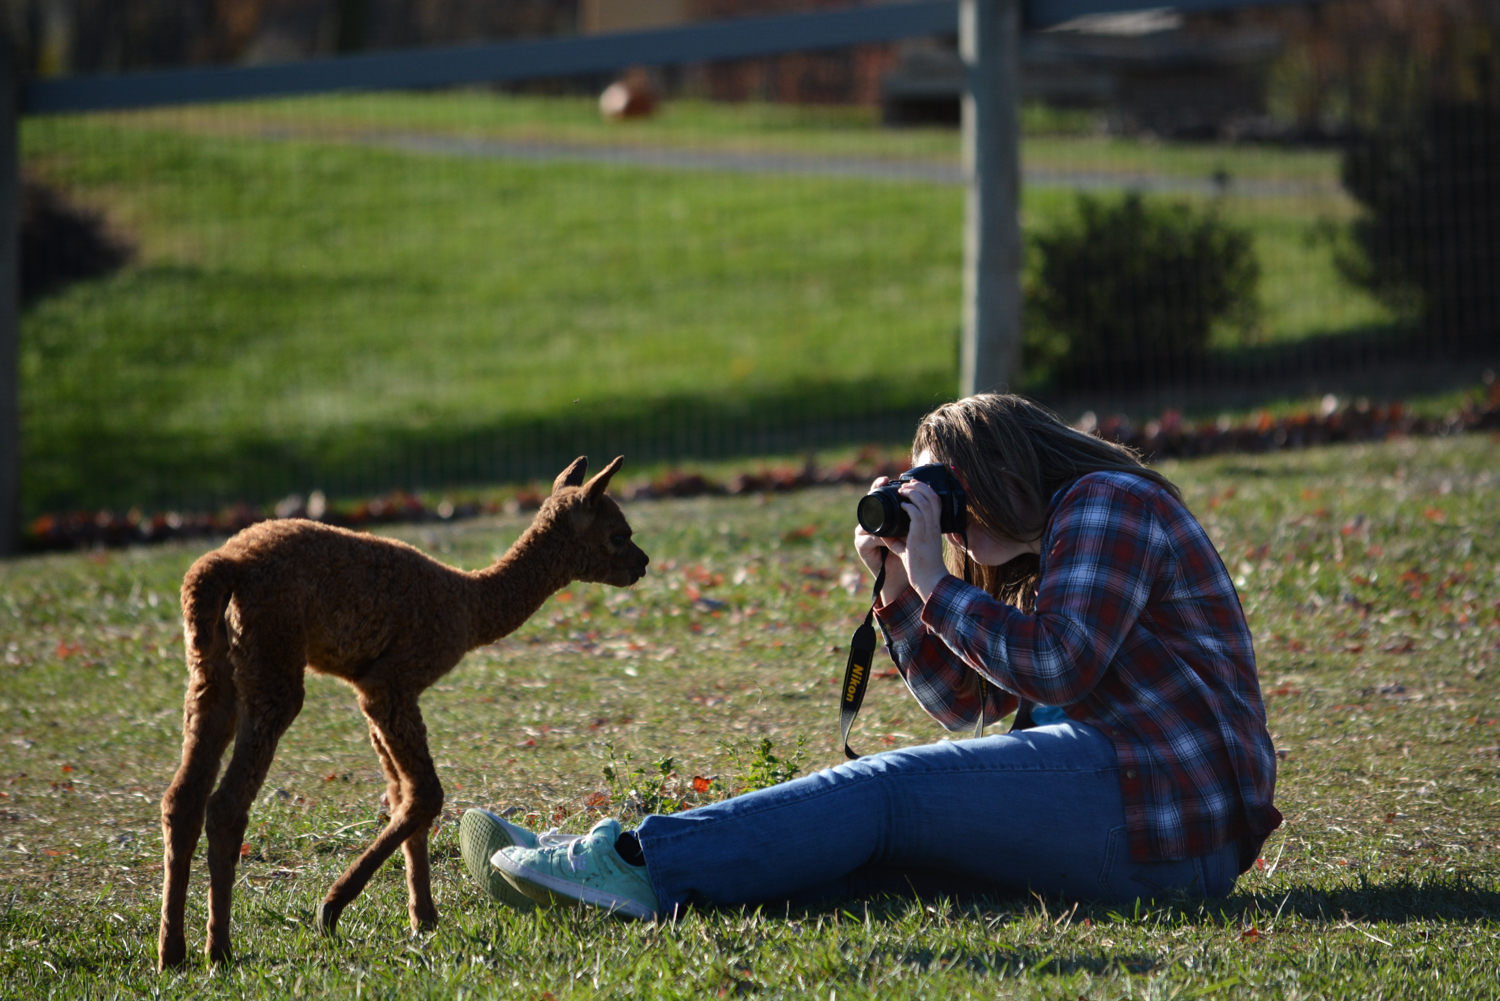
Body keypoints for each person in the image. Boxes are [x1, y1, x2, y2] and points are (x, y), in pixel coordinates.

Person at [460, 394, 1282, 918]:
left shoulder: (1108, 503)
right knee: (878, 852)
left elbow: (1057, 666)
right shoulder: (1037, 548)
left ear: (1000, 466)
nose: (948, 523)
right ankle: (621, 883)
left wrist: (935, 575)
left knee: (891, 793)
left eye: (947, 495)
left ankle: (631, 855)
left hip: (1167, 815)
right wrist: (899, 586)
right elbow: (971, 705)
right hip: (1137, 822)